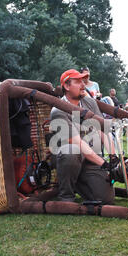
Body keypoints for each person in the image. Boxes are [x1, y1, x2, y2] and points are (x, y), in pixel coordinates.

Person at [50, 69, 116, 204]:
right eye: (78, 82)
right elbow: (77, 143)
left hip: (89, 158)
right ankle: (66, 196)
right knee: (71, 151)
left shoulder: (90, 102)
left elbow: (103, 131)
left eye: (83, 81)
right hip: (69, 157)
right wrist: (104, 164)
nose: (83, 85)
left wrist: (114, 158)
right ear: (67, 86)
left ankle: (80, 182)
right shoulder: (58, 111)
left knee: (106, 199)